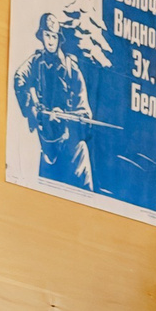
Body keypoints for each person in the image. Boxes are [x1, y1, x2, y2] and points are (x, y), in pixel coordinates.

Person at [12, 12, 96, 189]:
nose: (50, 41)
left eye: (54, 36)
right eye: (47, 35)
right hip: (49, 148)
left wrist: (65, 116)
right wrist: (34, 109)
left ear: (59, 39)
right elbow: (19, 79)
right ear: (41, 36)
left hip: (72, 150)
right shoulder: (35, 63)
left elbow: (85, 115)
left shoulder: (72, 70)